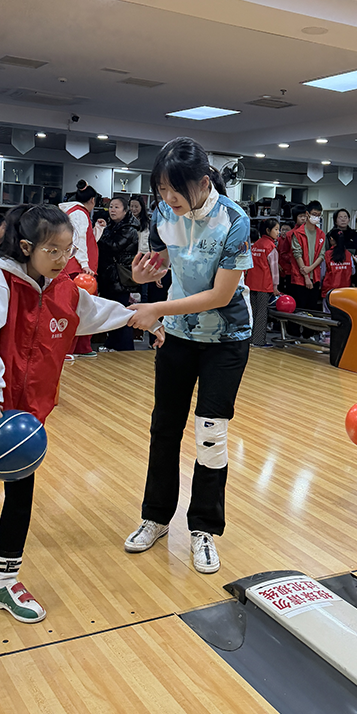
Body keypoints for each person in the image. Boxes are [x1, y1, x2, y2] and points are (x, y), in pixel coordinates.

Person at [0, 204, 162, 623]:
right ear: (26, 247)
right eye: (53, 251)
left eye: (68, 250)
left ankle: (4, 582)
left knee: (20, 488)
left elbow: (93, 311)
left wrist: (141, 318)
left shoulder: (62, 288)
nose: (63, 259)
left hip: (30, 407)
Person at [124, 137, 253, 575]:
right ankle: (157, 518)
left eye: (174, 188)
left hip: (227, 339)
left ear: (202, 181)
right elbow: (161, 263)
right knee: (165, 428)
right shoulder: (164, 213)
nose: (167, 197)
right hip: (177, 336)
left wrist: (157, 309)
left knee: (211, 434)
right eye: (161, 188)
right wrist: (144, 275)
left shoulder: (234, 221)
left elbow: (220, 295)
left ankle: (203, 529)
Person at [59, 187, 99, 358]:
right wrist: (84, 264)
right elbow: (78, 240)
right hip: (78, 269)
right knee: (81, 309)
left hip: (76, 268)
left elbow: (86, 240)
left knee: (79, 308)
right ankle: (73, 348)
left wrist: (98, 230)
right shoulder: (80, 213)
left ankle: (79, 347)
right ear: (92, 200)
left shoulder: (73, 212)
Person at [96, 194, 139, 351]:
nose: (112, 210)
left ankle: (125, 348)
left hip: (120, 277)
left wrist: (101, 234)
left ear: (125, 210)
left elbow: (114, 246)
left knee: (121, 313)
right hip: (109, 276)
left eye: (116, 207)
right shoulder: (113, 226)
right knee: (110, 312)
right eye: (111, 207)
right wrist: (103, 228)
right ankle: (112, 344)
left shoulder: (130, 229)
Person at [246, 217, 280, 346]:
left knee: (252, 312)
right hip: (264, 285)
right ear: (268, 230)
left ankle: (249, 338)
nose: (278, 232)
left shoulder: (255, 245)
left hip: (251, 283)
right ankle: (259, 341)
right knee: (262, 313)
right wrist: (275, 286)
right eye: (276, 229)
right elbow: (274, 269)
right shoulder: (271, 247)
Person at [290, 201, 325, 313]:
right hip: (299, 277)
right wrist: (306, 275)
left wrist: (310, 269)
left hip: (315, 277)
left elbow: (322, 255)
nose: (316, 217)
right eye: (314, 214)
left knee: (312, 309)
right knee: (299, 309)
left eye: (318, 215)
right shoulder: (298, 233)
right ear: (307, 214)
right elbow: (297, 254)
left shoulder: (321, 234)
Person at [322, 231, 352, 303]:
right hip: (345, 290)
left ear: (331, 239)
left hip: (329, 290)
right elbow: (353, 271)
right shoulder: (348, 254)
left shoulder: (327, 254)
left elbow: (322, 273)